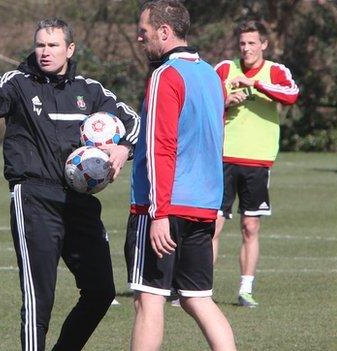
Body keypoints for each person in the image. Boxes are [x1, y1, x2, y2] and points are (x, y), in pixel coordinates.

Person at [0, 18, 139, 351]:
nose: (45, 52)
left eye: (53, 45)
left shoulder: (90, 91)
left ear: (70, 48)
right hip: (34, 197)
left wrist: (124, 148)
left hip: (80, 201)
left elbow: (134, 121)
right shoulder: (17, 82)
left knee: (101, 291)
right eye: (40, 45)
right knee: (39, 297)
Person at [124, 1, 236, 350]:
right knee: (197, 298)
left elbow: (161, 147)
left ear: (164, 32)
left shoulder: (165, 76)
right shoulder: (211, 76)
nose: (140, 39)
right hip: (203, 207)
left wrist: (158, 213)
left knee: (149, 299)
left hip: (164, 208)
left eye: (144, 33)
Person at [212, 20, 299, 308]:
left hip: (257, 161)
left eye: (252, 43)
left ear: (264, 44)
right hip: (222, 158)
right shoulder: (224, 68)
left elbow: (291, 95)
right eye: (242, 44)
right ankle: (200, 288)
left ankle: (245, 289)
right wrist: (225, 99)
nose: (246, 49)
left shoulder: (275, 71)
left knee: (250, 226)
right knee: (212, 227)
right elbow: (201, 99)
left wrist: (254, 83)